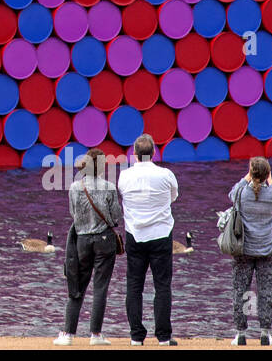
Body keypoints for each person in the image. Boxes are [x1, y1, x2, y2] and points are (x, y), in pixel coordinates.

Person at [116, 133, 179, 346]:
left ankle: (136, 336)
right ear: (154, 153)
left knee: (134, 285)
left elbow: (123, 195)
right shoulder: (166, 174)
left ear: (134, 155)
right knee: (162, 285)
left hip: (135, 234)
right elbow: (173, 197)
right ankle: (163, 337)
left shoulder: (124, 176)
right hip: (161, 234)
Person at [55, 148, 122, 345]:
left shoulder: (75, 187)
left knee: (77, 285)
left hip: (82, 241)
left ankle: (68, 335)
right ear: (102, 166)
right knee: (100, 287)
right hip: (104, 241)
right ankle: (95, 335)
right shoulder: (109, 187)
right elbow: (116, 216)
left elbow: (73, 214)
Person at [230, 157, 272, 346]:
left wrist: (247, 177)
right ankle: (265, 333)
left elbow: (231, 194)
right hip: (267, 248)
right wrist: (270, 179)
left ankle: (241, 333)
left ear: (251, 173)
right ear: (267, 174)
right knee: (265, 291)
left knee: (241, 291)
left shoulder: (241, 193)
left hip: (244, 249)